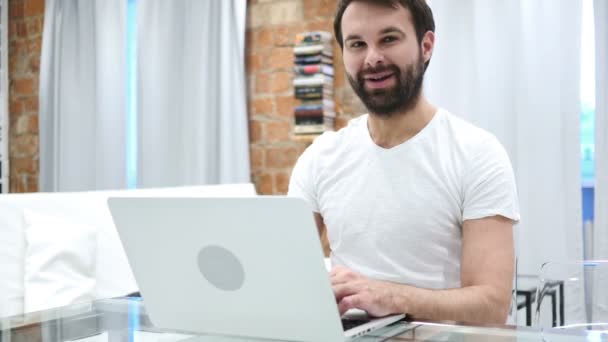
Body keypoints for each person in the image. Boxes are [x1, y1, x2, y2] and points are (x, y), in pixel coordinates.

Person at [287, 0, 520, 324]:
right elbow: (287, 281)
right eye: (357, 44)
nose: (372, 58)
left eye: (389, 39)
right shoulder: (319, 158)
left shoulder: (477, 153)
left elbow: (491, 306)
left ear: (426, 46)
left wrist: (391, 297)